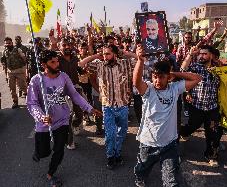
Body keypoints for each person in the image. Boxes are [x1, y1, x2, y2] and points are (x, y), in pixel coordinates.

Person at [26, 49, 101, 187]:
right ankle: (39, 152)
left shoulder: (64, 77)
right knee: (44, 152)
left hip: (62, 121)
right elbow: (32, 103)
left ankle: (51, 174)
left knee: (59, 150)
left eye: (57, 61)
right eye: (52, 62)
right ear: (44, 65)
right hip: (44, 124)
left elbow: (74, 95)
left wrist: (89, 108)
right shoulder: (36, 80)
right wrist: (41, 117)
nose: (56, 64)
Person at [133, 44, 202, 187]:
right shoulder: (149, 89)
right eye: (155, 77)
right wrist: (140, 61)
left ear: (168, 77)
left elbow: (197, 79)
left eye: (162, 77)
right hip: (148, 143)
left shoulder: (175, 88)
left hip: (169, 144)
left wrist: (174, 74)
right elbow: (136, 82)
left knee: (171, 180)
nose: (158, 80)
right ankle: (140, 176)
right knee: (143, 167)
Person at [79, 44, 134, 170]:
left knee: (121, 133)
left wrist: (125, 52)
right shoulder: (99, 65)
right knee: (110, 134)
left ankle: (117, 153)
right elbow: (81, 64)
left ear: (115, 54)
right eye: (104, 54)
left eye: (108, 54)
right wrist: (96, 55)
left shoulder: (125, 64)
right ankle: (110, 156)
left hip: (123, 105)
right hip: (107, 106)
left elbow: (142, 61)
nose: (105, 56)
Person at [180, 45, 222, 167]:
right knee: (192, 126)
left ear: (211, 56)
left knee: (212, 132)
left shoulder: (218, 69)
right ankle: (184, 132)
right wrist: (190, 55)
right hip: (197, 106)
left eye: (204, 54)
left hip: (213, 108)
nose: (201, 56)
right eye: (200, 54)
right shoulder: (195, 67)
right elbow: (182, 71)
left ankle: (211, 155)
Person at [1, 37, 27, 108]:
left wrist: (24, 69)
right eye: (6, 43)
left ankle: (29, 98)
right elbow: (4, 64)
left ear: (12, 43)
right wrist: (6, 74)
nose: (7, 44)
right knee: (12, 88)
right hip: (10, 72)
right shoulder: (4, 52)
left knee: (23, 86)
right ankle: (15, 102)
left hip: (19, 71)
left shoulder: (18, 49)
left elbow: (24, 59)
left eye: (9, 43)